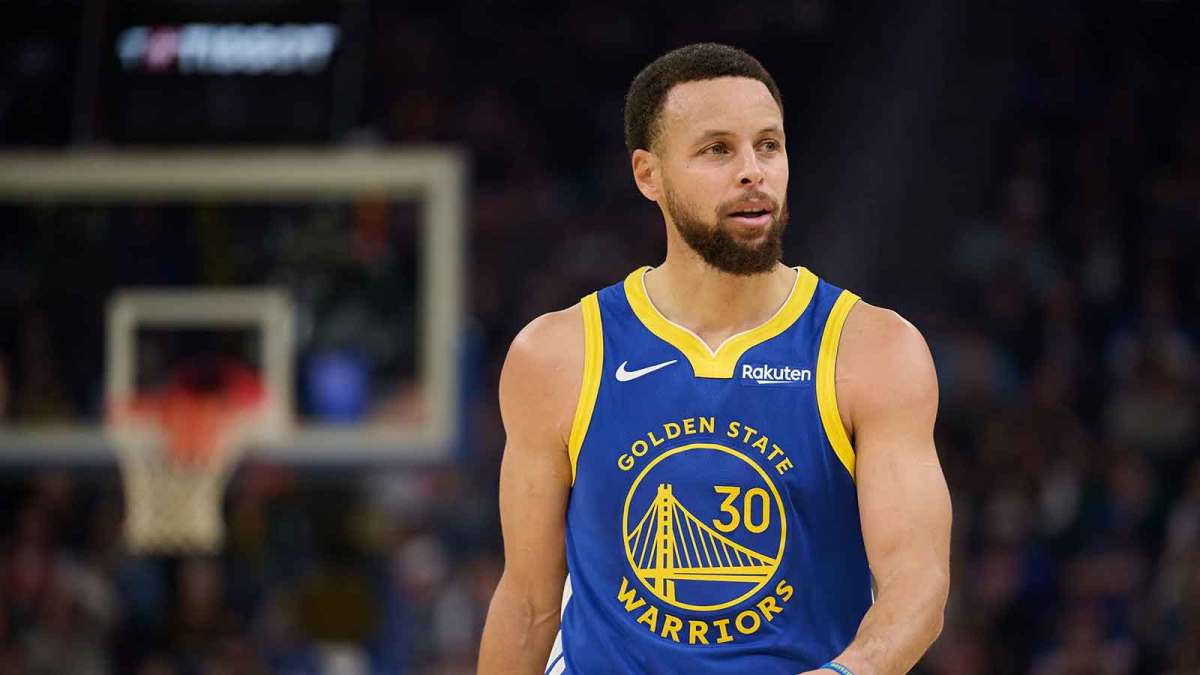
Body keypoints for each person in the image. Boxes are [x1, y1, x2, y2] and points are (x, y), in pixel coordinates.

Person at [478, 43, 951, 675]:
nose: (753, 171)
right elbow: (529, 603)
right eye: (717, 149)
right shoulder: (559, 353)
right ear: (648, 175)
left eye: (769, 145)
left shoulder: (873, 349)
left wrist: (847, 673)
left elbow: (917, 587)